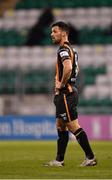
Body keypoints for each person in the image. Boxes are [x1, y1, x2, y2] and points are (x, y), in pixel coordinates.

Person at [44, 21, 97, 167]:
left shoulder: (63, 50)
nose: (52, 34)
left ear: (64, 33)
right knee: (61, 125)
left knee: (73, 126)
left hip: (66, 93)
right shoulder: (72, 50)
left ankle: (90, 157)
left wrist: (61, 84)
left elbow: (67, 67)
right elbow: (74, 69)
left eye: (55, 31)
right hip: (66, 93)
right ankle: (59, 160)